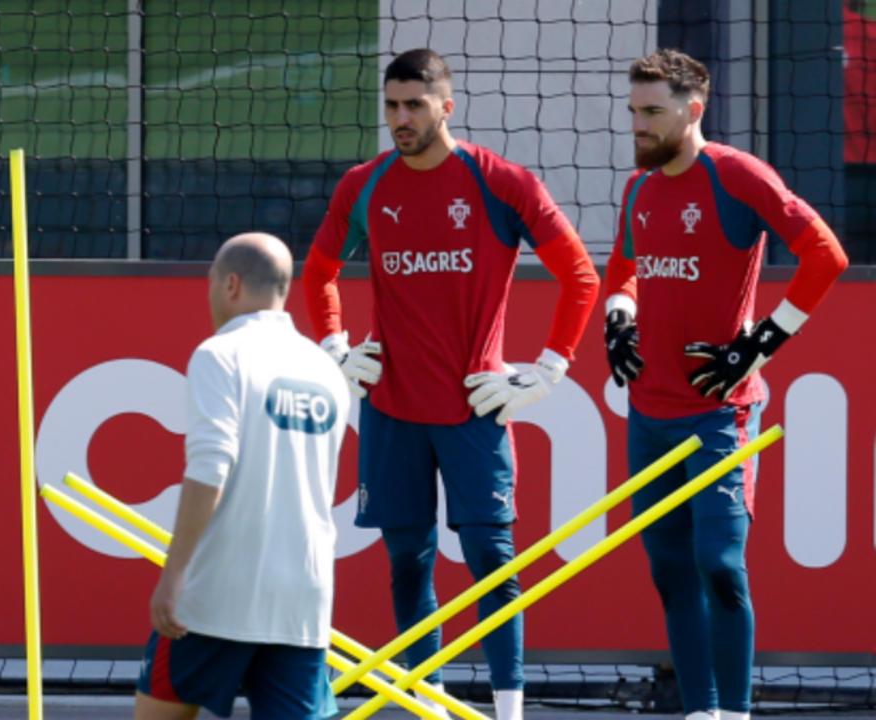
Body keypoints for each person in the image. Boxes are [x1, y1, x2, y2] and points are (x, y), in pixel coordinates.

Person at [301, 49, 601, 720]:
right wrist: (334, 349)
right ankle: (426, 702)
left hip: (475, 405)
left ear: (447, 106)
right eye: (392, 106)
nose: (400, 119)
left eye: (414, 105)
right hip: (392, 408)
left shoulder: (503, 183)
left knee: (494, 559)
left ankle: (509, 711)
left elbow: (581, 275)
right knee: (408, 562)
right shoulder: (363, 185)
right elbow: (317, 273)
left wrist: (549, 370)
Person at [604, 49, 848, 720]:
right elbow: (623, 268)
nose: (639, 125)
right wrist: (618, 318)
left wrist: (760, 343)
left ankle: (734, 712)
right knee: (670, 571)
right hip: (648, 414)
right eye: (633, 111)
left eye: (653, 112)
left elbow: (826, 255)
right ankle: (700, 711)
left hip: (719, 413)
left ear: (694, 109)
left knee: (719, 564)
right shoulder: (638, 188)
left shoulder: (737, 174)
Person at [135, 233, 350, 720]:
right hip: (302, 599)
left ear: (230, 284)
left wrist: (174, 573)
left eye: (211, 279)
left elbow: (210, 466)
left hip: (216, 591)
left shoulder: (220, 354)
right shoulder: (325, 370)